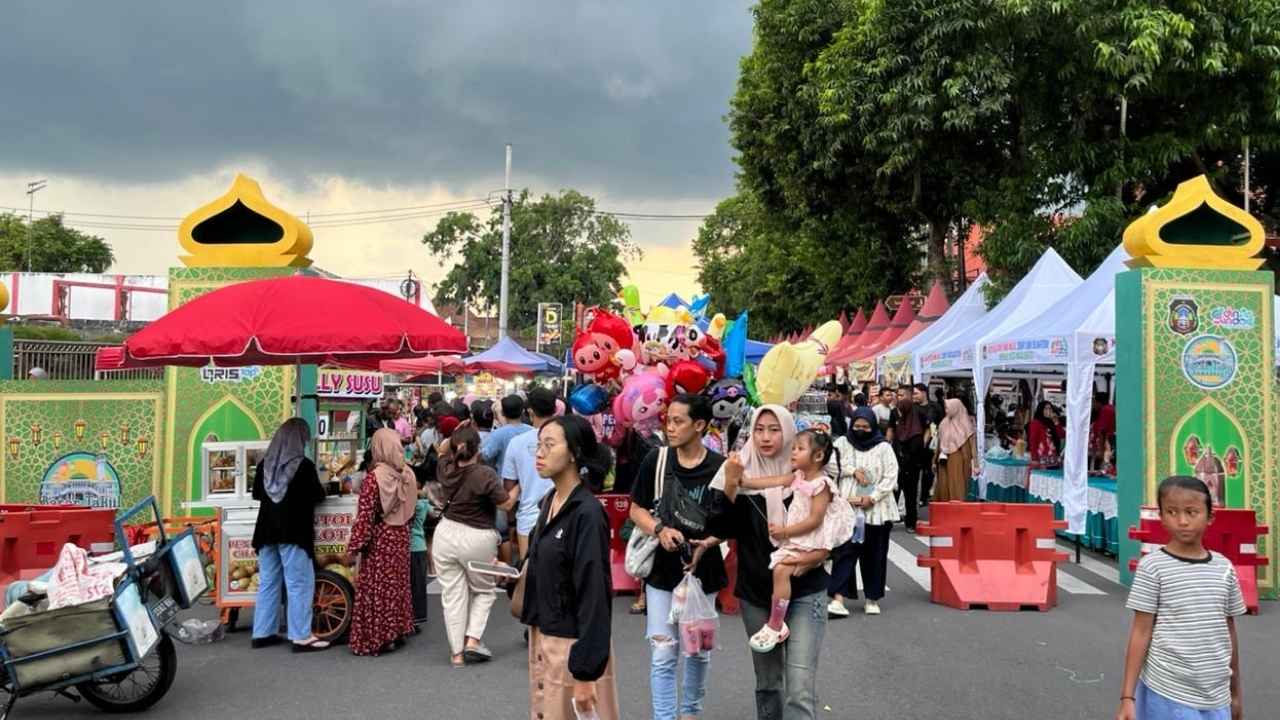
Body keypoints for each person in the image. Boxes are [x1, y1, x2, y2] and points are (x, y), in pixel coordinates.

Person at [714, 405, 831, 720]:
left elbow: (832, 530)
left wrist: (817, 556)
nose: (765, 437)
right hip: (755, 593)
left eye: (774, 429)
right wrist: (731, 484)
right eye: (759, 429)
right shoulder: (742, 471)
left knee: (800, 688)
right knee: (767, 683)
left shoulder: (810, 479)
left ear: (790, 434)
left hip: (805, 590)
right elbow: (721, 527)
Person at [629, 394, 728, 720]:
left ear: (699, 425)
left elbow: (730, 524)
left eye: (677, 421)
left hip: (704, 572)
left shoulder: (721, 467)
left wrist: (707, 543)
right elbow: (636, 509)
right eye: (667, 420)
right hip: (661, 571)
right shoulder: (656, 460)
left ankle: (690, 713)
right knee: (663, 653)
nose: (669, 427)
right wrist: (659, 529)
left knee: (697, 651)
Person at [1116, 476, 1245, 720]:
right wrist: (1127, 697)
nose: (1182, 521)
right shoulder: (1152, 567)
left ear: (1210, 516)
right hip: (1168, 690)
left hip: (1216, 694)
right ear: (1162, 517)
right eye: (1172, 512)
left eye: (1191, 512)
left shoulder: (1224, 568)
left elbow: (1228, 631)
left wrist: (1235, 693)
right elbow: (1141, 631)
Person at [523, 415, 620, 720]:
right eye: (539, 445)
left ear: (574, 453)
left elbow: (595, 592)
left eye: (549, 445)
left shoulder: (587, 513)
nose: (540, 453)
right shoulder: (550, 500)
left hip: (572, 645)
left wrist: (586, 673)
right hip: (545, 634)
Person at [729, 429, 853, 653]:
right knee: (781, 570)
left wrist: (785, 531)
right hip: (801, 537)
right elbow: (774, 481)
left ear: (818, 456)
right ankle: (777, 622)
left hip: (813, 538)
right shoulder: (799, 477)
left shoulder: (822, 484)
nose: (793, 452)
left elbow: (815, 520)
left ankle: (776, 622)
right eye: (793, 447)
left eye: (800, 449)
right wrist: (745, 481)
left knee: (781, 569)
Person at [432, 424, 516, 667]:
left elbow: (442, 450)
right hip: (478, 538)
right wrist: (518, 487)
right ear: (478, 448)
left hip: (445, 535)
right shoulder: (485, 474)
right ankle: (473, 641)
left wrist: (453, 438)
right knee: (484, 591)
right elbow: (506, 505)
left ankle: (457, 654)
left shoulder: (445, 468)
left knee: (452, 595)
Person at [250, 418, 330, 652]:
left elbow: (257, 494)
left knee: (268, 582)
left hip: (266, 532)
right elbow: (318, 495)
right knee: (299, 583)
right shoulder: (303, 466)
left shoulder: (265, 465)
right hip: (293, 532)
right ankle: (301, 636)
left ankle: (262, 633)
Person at [348, 429, 417, 656]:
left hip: (380, 539)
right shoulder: (408, 474)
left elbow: (365, 516)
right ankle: (396, 631)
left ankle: (378, 637)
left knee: (377, 589)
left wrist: (355, 546)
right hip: (401, 536)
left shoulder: (374, 478)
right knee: (397, 586)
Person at [827, 407, 899, 617]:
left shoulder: (884, 447)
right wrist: (852, 471)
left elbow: (891, 475)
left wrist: (873, 497)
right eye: (857, 426)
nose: (861, 430)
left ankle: (872, 598)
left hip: (877, 511)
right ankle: (838, 598)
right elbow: (830, 464)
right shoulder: (842, 443)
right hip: (847, 508)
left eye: (865, 427)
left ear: (873, 426)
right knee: (844, 553)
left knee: (875, 555)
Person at [502, 387, 559, 561]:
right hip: (562, 517)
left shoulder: (516, 443)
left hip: (528, 518)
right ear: (555, 409)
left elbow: (508, 486)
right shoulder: (566, 440)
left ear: (530, 412)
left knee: (528, 569)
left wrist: (511, 521)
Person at [933, 399, 976, 503]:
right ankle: (944, 508)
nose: (946, 411)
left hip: (958, 459)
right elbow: (939, 442)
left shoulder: (966, 425)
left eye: (948, 408)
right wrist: (934, 460)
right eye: (945, 408)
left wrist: (975, 463)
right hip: (943, 459)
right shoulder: (944, 423)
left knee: (957, 485)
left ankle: (957, 508)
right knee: (943, 485)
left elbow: (972, 446)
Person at [894, 395, 927, 532]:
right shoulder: (901, 424)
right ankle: (890, 520)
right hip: (900, 467)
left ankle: (910, 522)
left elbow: (916, 450)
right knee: (896, 493)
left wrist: (904, 459)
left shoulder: (916, 431)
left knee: (910, 496)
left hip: (910, 468)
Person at [481, 394, 532, 472]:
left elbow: (485, 455)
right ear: (523, 411)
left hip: (503, 476)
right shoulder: (532, 431)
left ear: (502, 413)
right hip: (526, 475)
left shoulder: (498, 434)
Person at [409, 472, 433, 627]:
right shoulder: (424, 504)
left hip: (411, 547)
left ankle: (411, 618)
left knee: (410, 585)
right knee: (419, 585)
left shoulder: (413, 505)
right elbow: (433, 513)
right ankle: (418, 617)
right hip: (421, 546)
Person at [912, 384, 937, 507]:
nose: (914, 396)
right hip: (914, 446)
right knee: (914, 473)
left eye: (916, 393)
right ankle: (914, 498)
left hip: (931, 446)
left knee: (928, 473)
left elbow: (939, 424)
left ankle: (924, 497)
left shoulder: (935, 407)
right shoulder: (912, 408)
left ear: (924, 393)